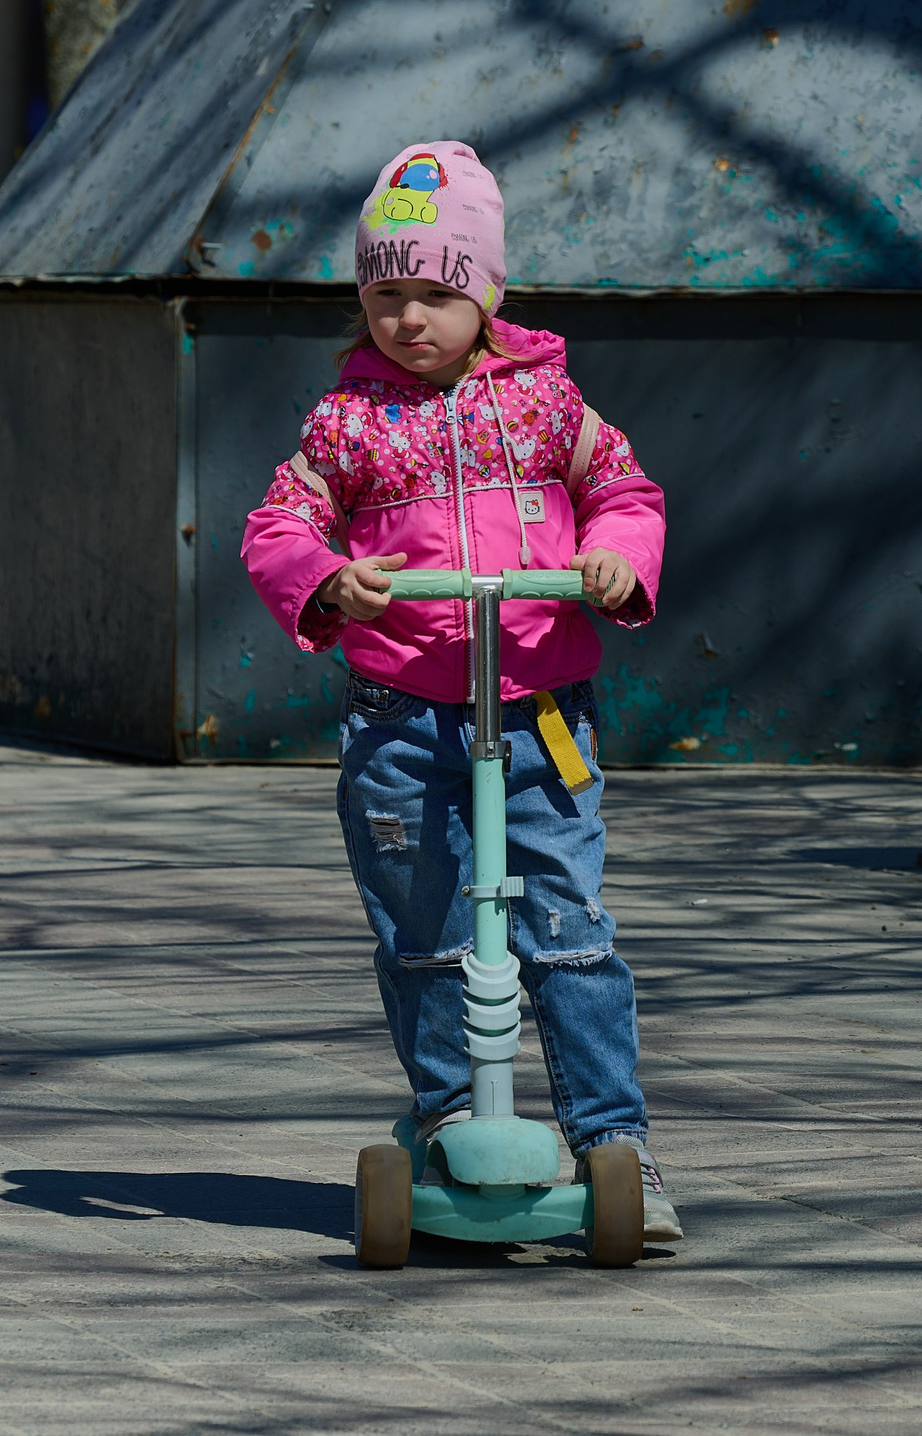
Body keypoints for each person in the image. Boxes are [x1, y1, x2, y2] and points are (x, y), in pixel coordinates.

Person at [240, 141, 681, 1242]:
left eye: (436, 294)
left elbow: (623, 488)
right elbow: (279, 524)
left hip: (539, 709)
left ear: (485, 293)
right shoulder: (350, 423)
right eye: (385, 295)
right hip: (403, 716)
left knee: (569, 931)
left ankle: (615, 1141)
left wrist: (616, 554)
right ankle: (445, 1114)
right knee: (427, 931)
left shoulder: (543, 404)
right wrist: (328, 578)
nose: (409, 319)